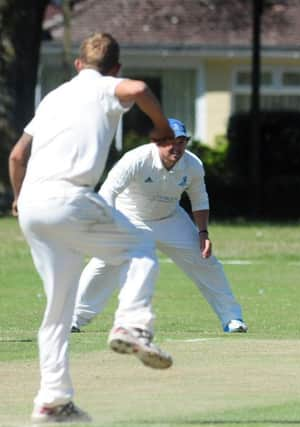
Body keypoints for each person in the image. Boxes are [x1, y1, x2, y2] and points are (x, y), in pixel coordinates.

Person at [8, 32, 174, 424]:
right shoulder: (108, 86)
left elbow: (17, 155)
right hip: (70, 196)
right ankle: (132, 324)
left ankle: (53, 400)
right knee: (140, 249)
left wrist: (18, 199)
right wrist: (161, 126)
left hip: (32, 204)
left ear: (77, 64)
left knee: (58, 310)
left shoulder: (53, 97)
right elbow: (141, 88)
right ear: (114, 68)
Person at [70, 118, 248, 334]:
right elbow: (108, 192)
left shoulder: (192, 165)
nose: (176, 147)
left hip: (170, 219)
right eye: (169, 141)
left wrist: (203, 233)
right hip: (131, 218)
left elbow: (199, 199)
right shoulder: (135, 159)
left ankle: (232, 319)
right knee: (103, 263)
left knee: (206, 262)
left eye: (181, 141)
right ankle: (73, 319)